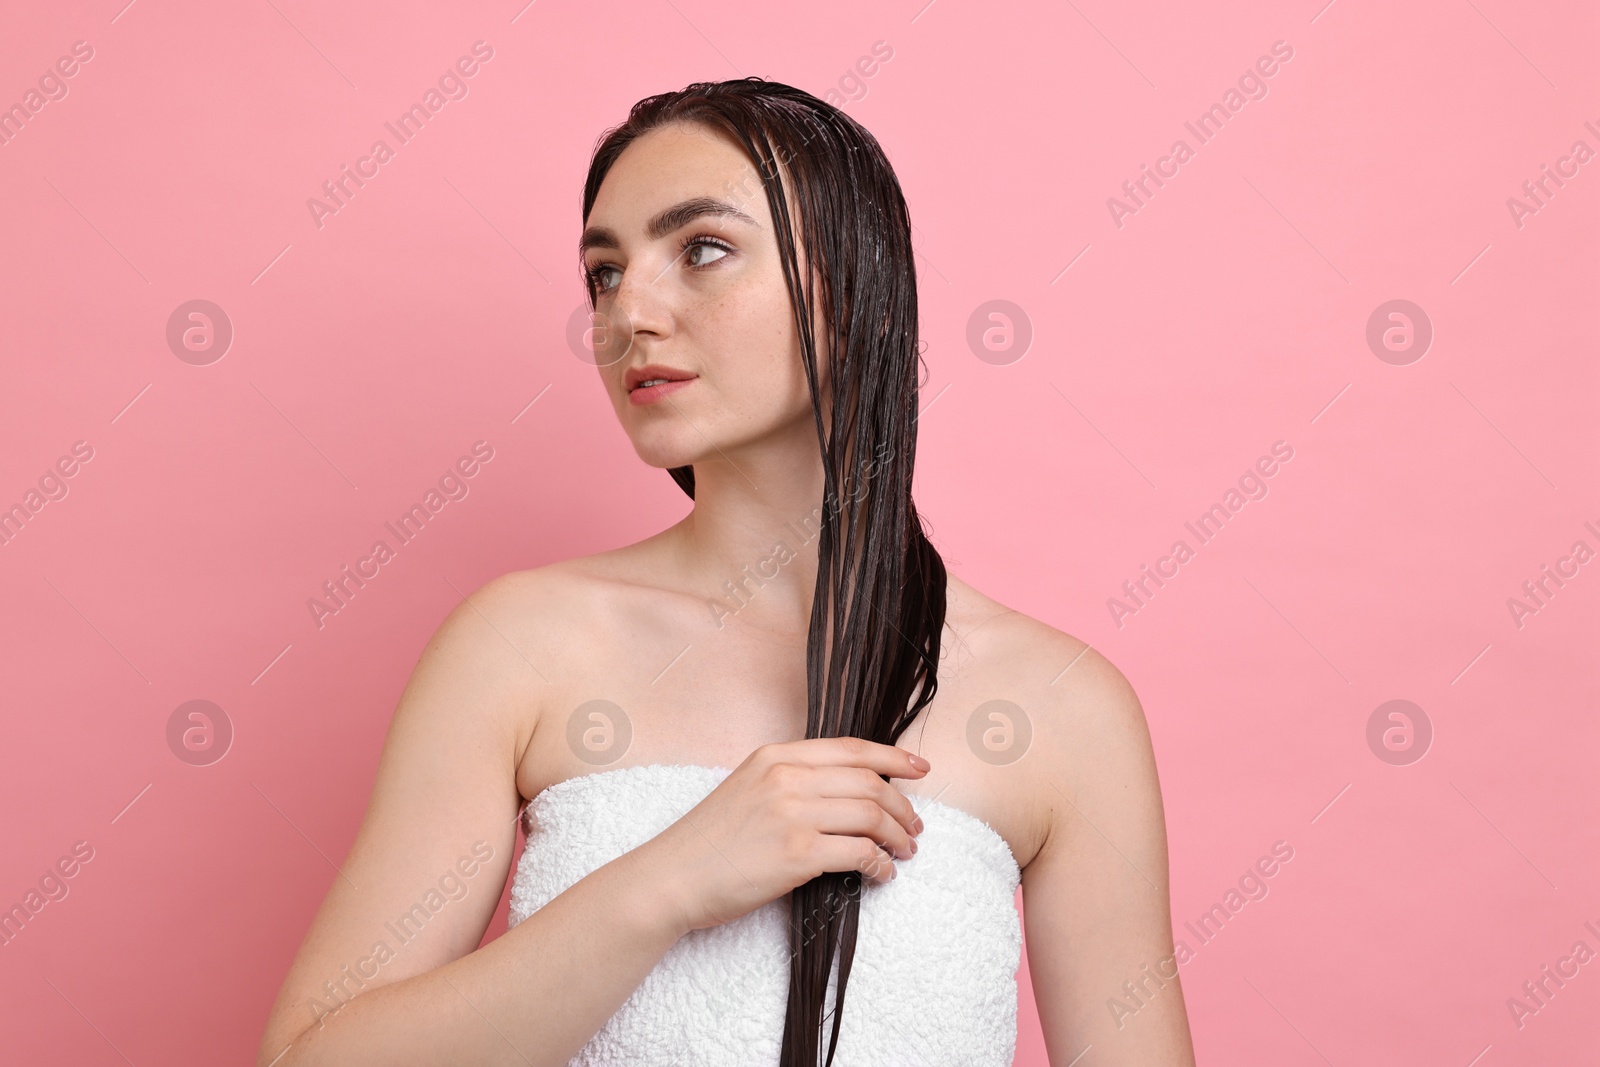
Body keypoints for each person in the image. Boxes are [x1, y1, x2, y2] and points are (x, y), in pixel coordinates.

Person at [257, 77, 1196, 1067]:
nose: (628, 314)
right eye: (604, 272)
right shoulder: (521, 645)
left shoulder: (1062, 708)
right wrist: (668, 881)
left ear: (857, 287)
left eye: (700, 250)